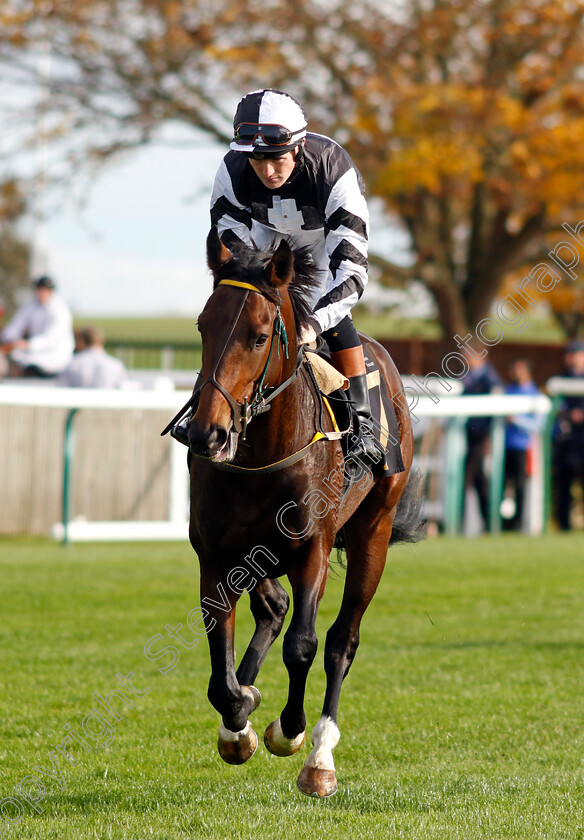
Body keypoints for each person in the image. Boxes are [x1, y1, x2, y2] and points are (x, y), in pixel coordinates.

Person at [179, 88, 382, 465]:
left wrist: (313, 324)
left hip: (322, 241)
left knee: (330, 317)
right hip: (263, 238)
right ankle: (201, 407)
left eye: (276, 160)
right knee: (239, 313)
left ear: (299, 145)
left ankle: (364, 424)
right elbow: (227, 243)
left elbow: (352, 273)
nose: (267, 171)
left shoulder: (333, 171)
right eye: (257, 161)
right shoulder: (232, 170)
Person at [461, 349, 503, 532]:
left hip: (481, 436)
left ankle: (459, 522)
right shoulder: (468, 377)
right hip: (469, 435)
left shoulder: (490, 379)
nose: (465, 359)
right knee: (479, 481)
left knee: (467, 476)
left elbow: (494, 411)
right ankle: (489, 522)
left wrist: (489, 440)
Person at [0, 275, 74, 378]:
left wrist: (27, 344)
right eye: (39, 289)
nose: (41, 293)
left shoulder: (60, 310)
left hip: (55, 359)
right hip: (32, 356)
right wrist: (7, 338)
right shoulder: (31, 305)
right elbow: (16, 326)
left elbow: (51, 339)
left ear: (51, 291)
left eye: (45, 290)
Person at [501, 359, 541, 531]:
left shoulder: (535, 394)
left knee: (520, 487)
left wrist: (516, 420)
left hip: (523, 448)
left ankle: (518, 524)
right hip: (504, 447)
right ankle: (503, 523)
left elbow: (538, 425)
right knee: (502, 486)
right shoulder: (509, 391)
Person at [553, 339, 584, 531]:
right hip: (566, 439)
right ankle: (563, 525)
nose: (570, 358)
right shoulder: (561, 379)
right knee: (563, 484)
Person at [58, 325, 127, 388]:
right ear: (102, 340)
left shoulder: (73, 364)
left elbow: (62, 388)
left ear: (81, 341)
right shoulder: (116, 365)